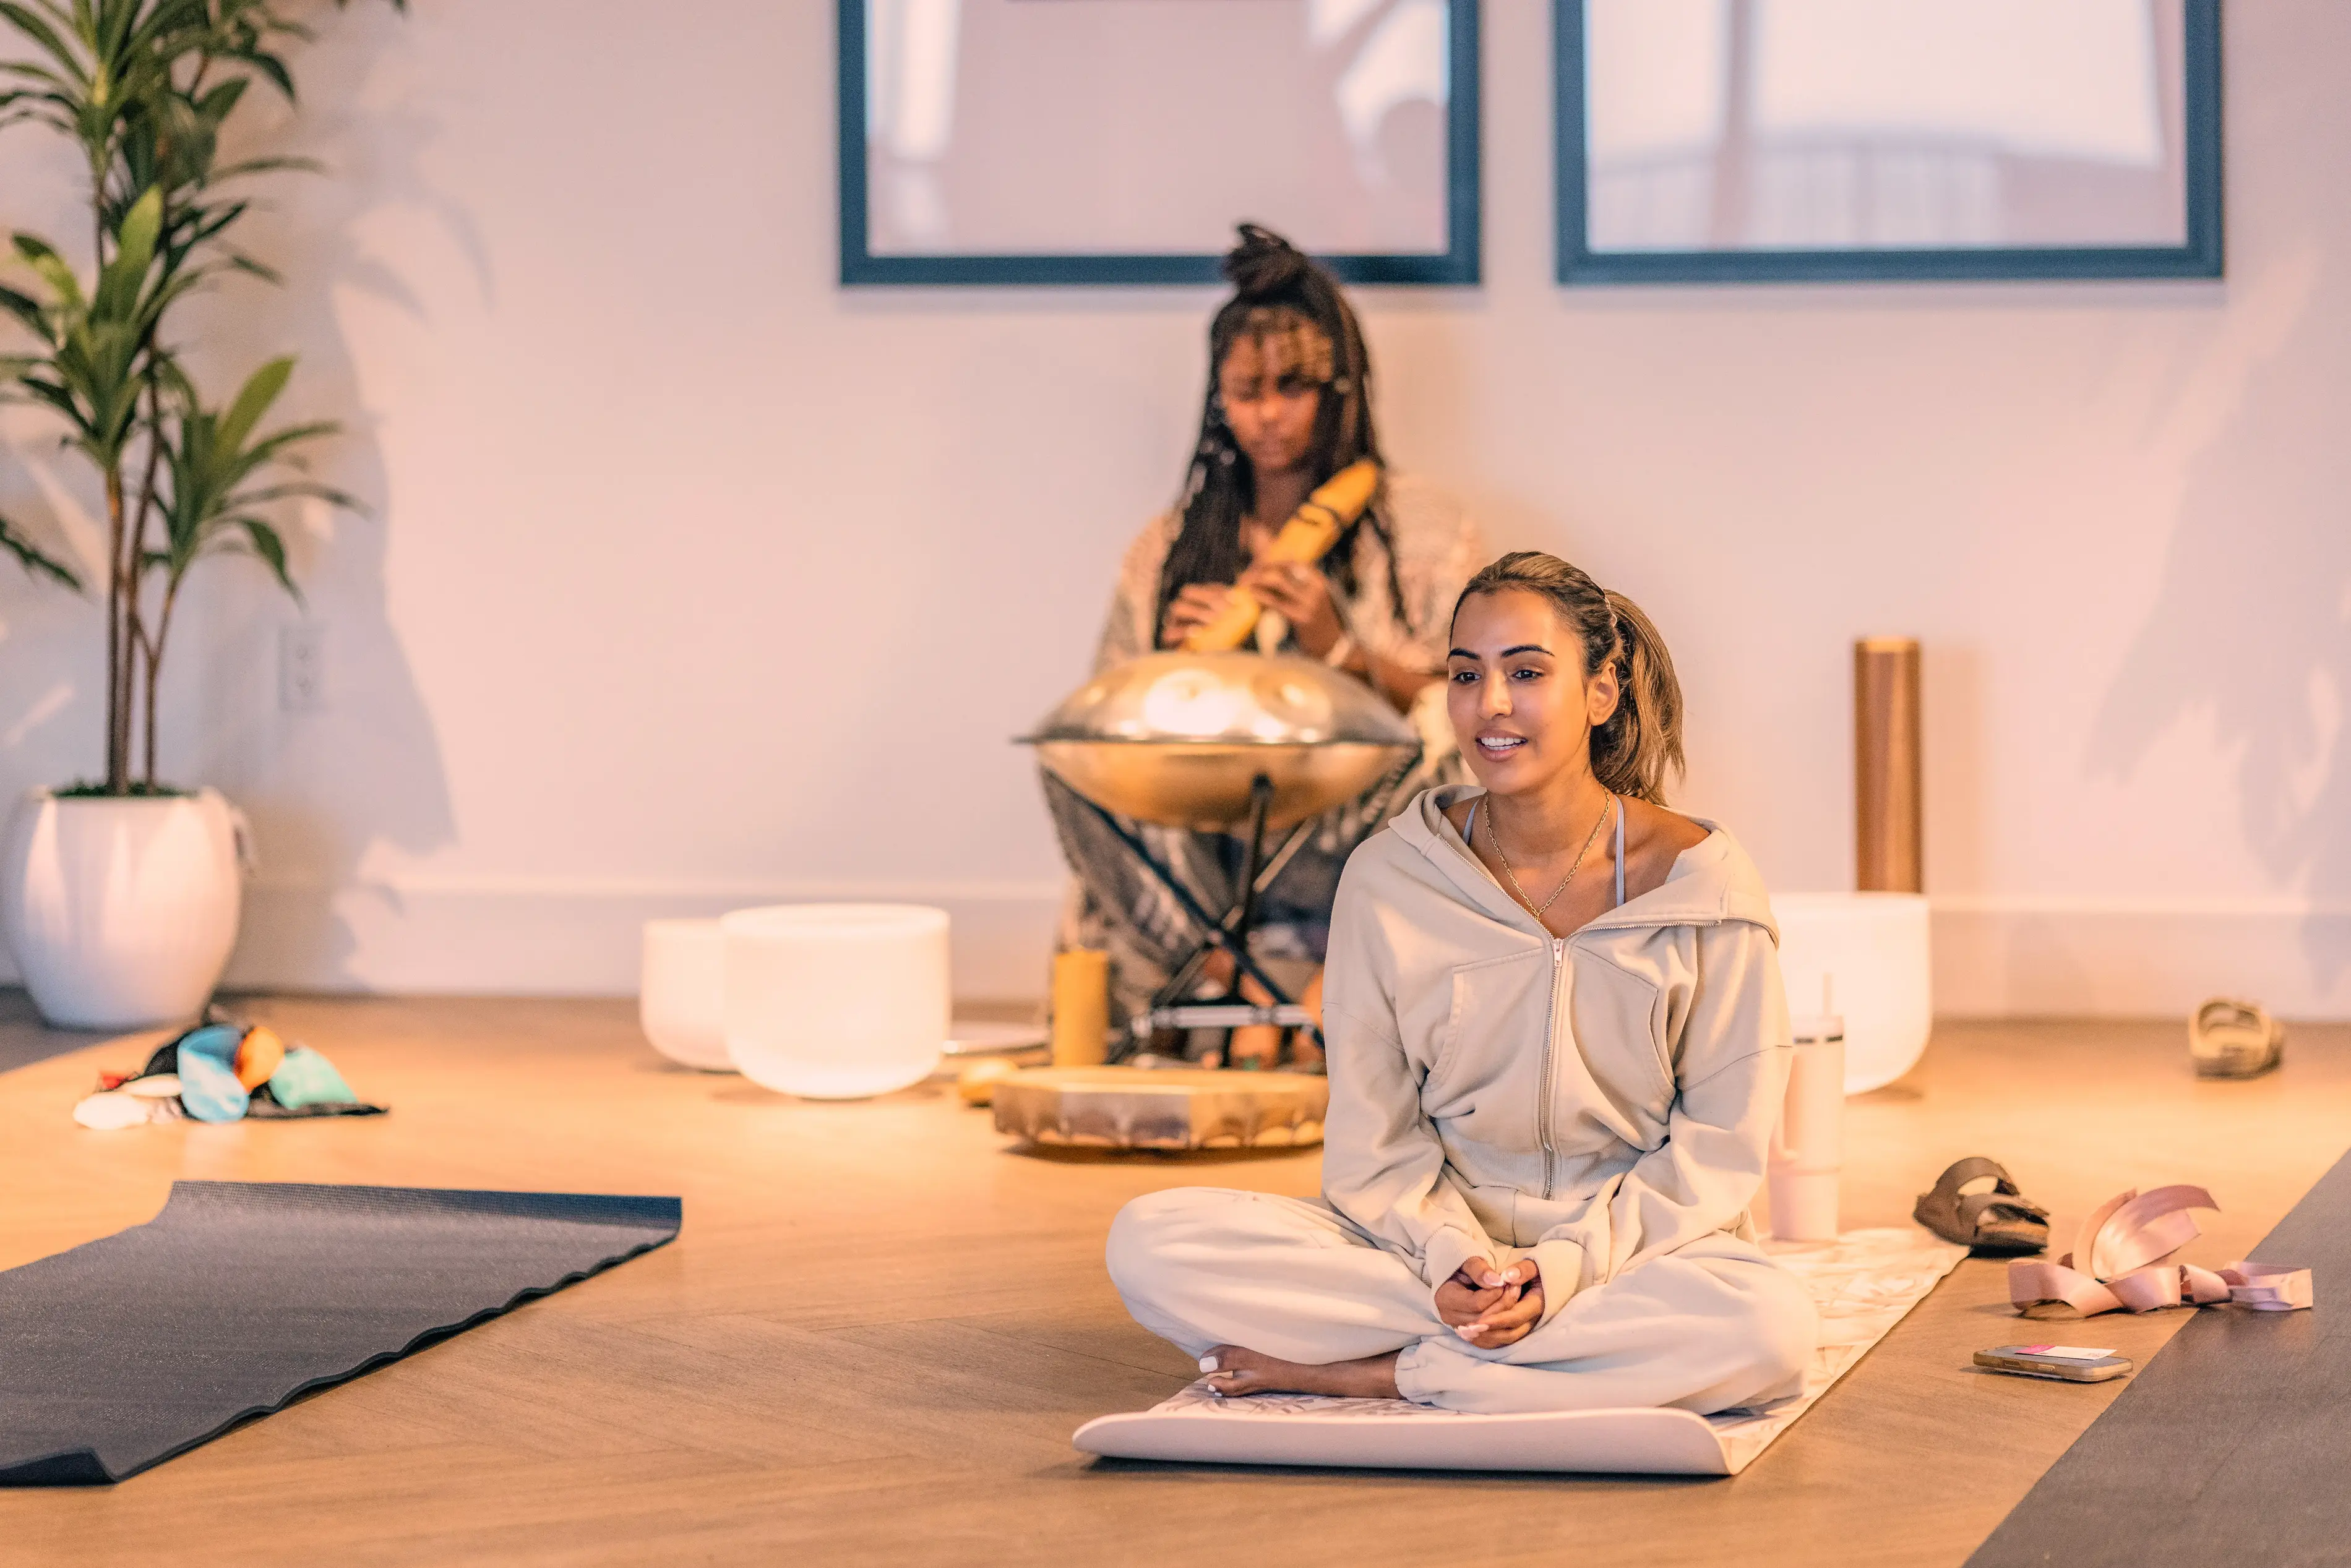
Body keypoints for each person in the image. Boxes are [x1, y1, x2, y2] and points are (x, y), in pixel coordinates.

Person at [1103, 552, 1816, 1415]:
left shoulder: (1709, 887)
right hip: (1425, 1256)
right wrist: (1450, 1263)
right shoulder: (1390, 878)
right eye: (1466, 675)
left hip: (1629, 1259)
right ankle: (1508, 1353)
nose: (1493, 705)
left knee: (1767, 1329)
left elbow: (1718, 1153)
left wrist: (1560, 1272)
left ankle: (1383, 1372)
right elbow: (1373, 1141)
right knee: (1150, 1241)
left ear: (1602, 691)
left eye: (1527, 672)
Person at [1046, 225, 1482, 1056]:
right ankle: (1231, 980)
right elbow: (1110, 721)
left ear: (1343, 389)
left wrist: (1340, 649)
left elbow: (1469, 702)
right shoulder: (1168, 548)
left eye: (1294, 386)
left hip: (1349, 835)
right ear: (1219, 397)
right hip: (1213, 848)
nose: (1269, 414)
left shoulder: (1425, 528)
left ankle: (1331, 986)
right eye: (1247, 391)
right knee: (1076, 754)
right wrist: (1167, 673)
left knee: (1469, 750)